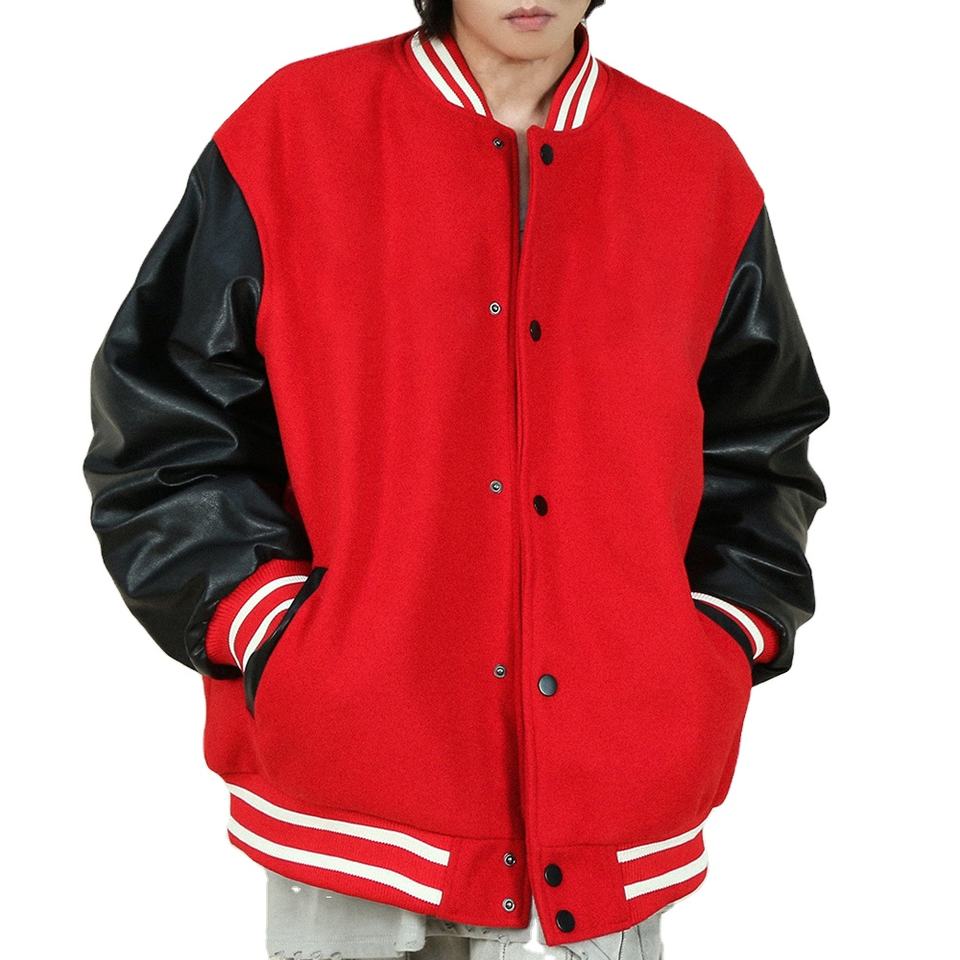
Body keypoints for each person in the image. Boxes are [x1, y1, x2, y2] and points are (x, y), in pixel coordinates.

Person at [82, 2, 830, 958]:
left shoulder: (697, 167)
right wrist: (272, 631)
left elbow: (760, 442)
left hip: (610, 795)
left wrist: (717, 640)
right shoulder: (294, 132)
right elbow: (165, 423)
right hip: (356, 786)